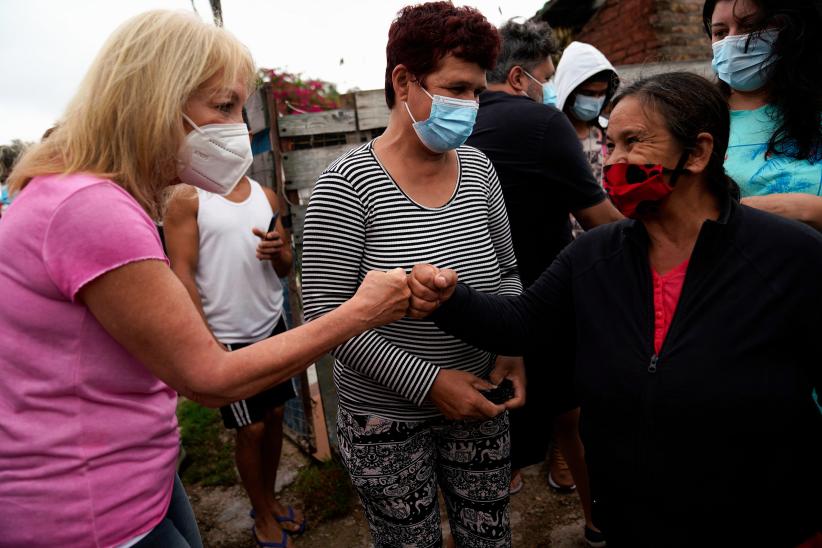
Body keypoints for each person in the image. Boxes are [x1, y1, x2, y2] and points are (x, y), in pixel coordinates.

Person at [0, 11, 410, 548]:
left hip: (121, 478)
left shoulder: (78, 194)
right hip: (91, 513)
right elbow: (209, 377)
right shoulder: (91, 209)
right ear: (154, 101)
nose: (239, 128)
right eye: (223, 106)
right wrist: (361, 311)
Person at [408, 72, 822, 547]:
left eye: (633, 142)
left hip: (766, 523)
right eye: (610, 145)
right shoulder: (593, 256)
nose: (615, 160)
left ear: (699, 153)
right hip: (635, 522)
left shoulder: (790, 257)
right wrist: (445, 298)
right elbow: (519, 326)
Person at [300, 3, 525, 546]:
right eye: (456, 88)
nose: (471, 105)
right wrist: (430, 384)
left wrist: (512, 351)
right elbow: (325, 319)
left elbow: (508, 274)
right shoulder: (346, 185)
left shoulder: (479, 168)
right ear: (404, 80)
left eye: (476, 91)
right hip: (385, 421)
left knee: (488, 535)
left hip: (478, 399)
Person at [467, 19, 621, 545]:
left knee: (487, 430)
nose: (550, 89)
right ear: (518, 77)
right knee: (574, 419)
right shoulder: (540, 122)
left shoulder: (447, 123)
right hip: (546, 300)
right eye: (547, 77)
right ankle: (598, 521)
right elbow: (603, 221)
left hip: (470, 309)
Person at [164, 112, 304, 546]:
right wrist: (205, 342)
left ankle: (272, 499)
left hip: (272, 325)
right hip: (228, 337)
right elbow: (181, 273)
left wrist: (279, 250)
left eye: (237, 120)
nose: (232, 130)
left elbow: (286, 267)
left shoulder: (266, 196)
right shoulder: (186, 199)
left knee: (276, 416)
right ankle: (261, 511)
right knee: (251, 429)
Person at [704, 0, 822, 230]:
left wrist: (809, 211)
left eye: (750, 27)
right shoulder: (693, 120)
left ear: (791, 30)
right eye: (720, 32)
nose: (731, 41)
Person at [554, 41, 619, 186]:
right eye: (589, 93)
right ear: (569, 91)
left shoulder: (607, 132)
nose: (596, 100)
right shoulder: (552, 136)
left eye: (602, 93)